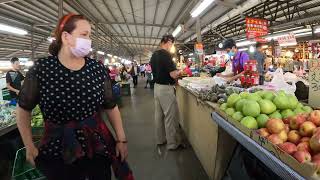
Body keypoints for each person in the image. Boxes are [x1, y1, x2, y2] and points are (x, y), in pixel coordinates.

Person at [16, 14, 133, 180]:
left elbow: (111, 106)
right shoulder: (42, 70)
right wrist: (28, 144)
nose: (89, 40)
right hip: (57, 150)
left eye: (90, 35)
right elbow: (23, 109)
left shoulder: (97, 70)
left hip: (96, 146)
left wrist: (121, 140)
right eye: (84, 34)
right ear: (66, 36)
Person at [150, 35, 184, 150]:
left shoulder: (154, 55)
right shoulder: (166, 54)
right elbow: (172, 74)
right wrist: (180, 71)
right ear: (168, 42)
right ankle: (172, 144)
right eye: (172, 43)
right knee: (170, 116)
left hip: (156, 88)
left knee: (158, 115)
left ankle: (160, 140)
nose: (172, 46)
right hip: (165, 89)